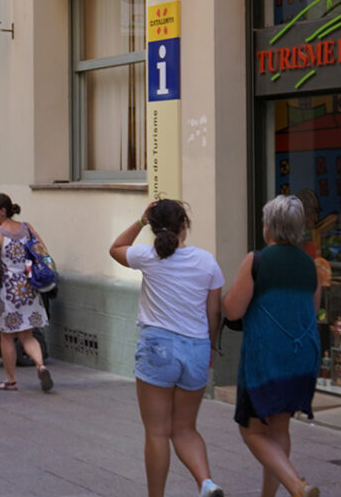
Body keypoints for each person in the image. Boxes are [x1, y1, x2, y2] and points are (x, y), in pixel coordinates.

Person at [108, 199, 225, 497]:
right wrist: (211, 348)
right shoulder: (208, 261)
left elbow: (115, 248)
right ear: (185, 224)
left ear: (153, 226)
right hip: (196, 348)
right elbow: (214, 313)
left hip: (158, 346)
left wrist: (139, 220)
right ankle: (206, 483)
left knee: (157, 432)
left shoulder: (147, 255)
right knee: (186, 429)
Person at [223, 195, 321, 497]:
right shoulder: (309, 264)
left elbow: (233, 311)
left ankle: (296, 485)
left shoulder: (257, 260)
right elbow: (312, 310)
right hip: (302, 358)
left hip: (267, 360)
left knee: (251, 431)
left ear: (270, 227)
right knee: (279, 429)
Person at [0, 192, 52, 393]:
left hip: (9, 290)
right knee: (27, 335)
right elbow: (43, 251)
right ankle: (40, 365)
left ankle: (11, 380)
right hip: (29, 286)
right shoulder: (27, 228)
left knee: (7, 336)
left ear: (2, 211)